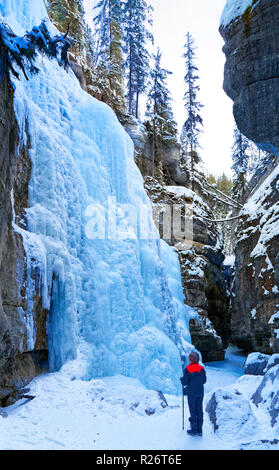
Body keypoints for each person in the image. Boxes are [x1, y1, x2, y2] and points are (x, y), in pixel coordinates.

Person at [180, 352, 207, 436]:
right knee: (199, 409)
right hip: (200, 392)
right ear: (198, 359)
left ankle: (194, 429)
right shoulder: (201, 368)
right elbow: (204, 381)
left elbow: (185, 382)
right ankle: (200, 430)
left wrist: (182, 379)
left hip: (191, 393)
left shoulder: (187, 369)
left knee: (193, 410)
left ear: (190, 359)